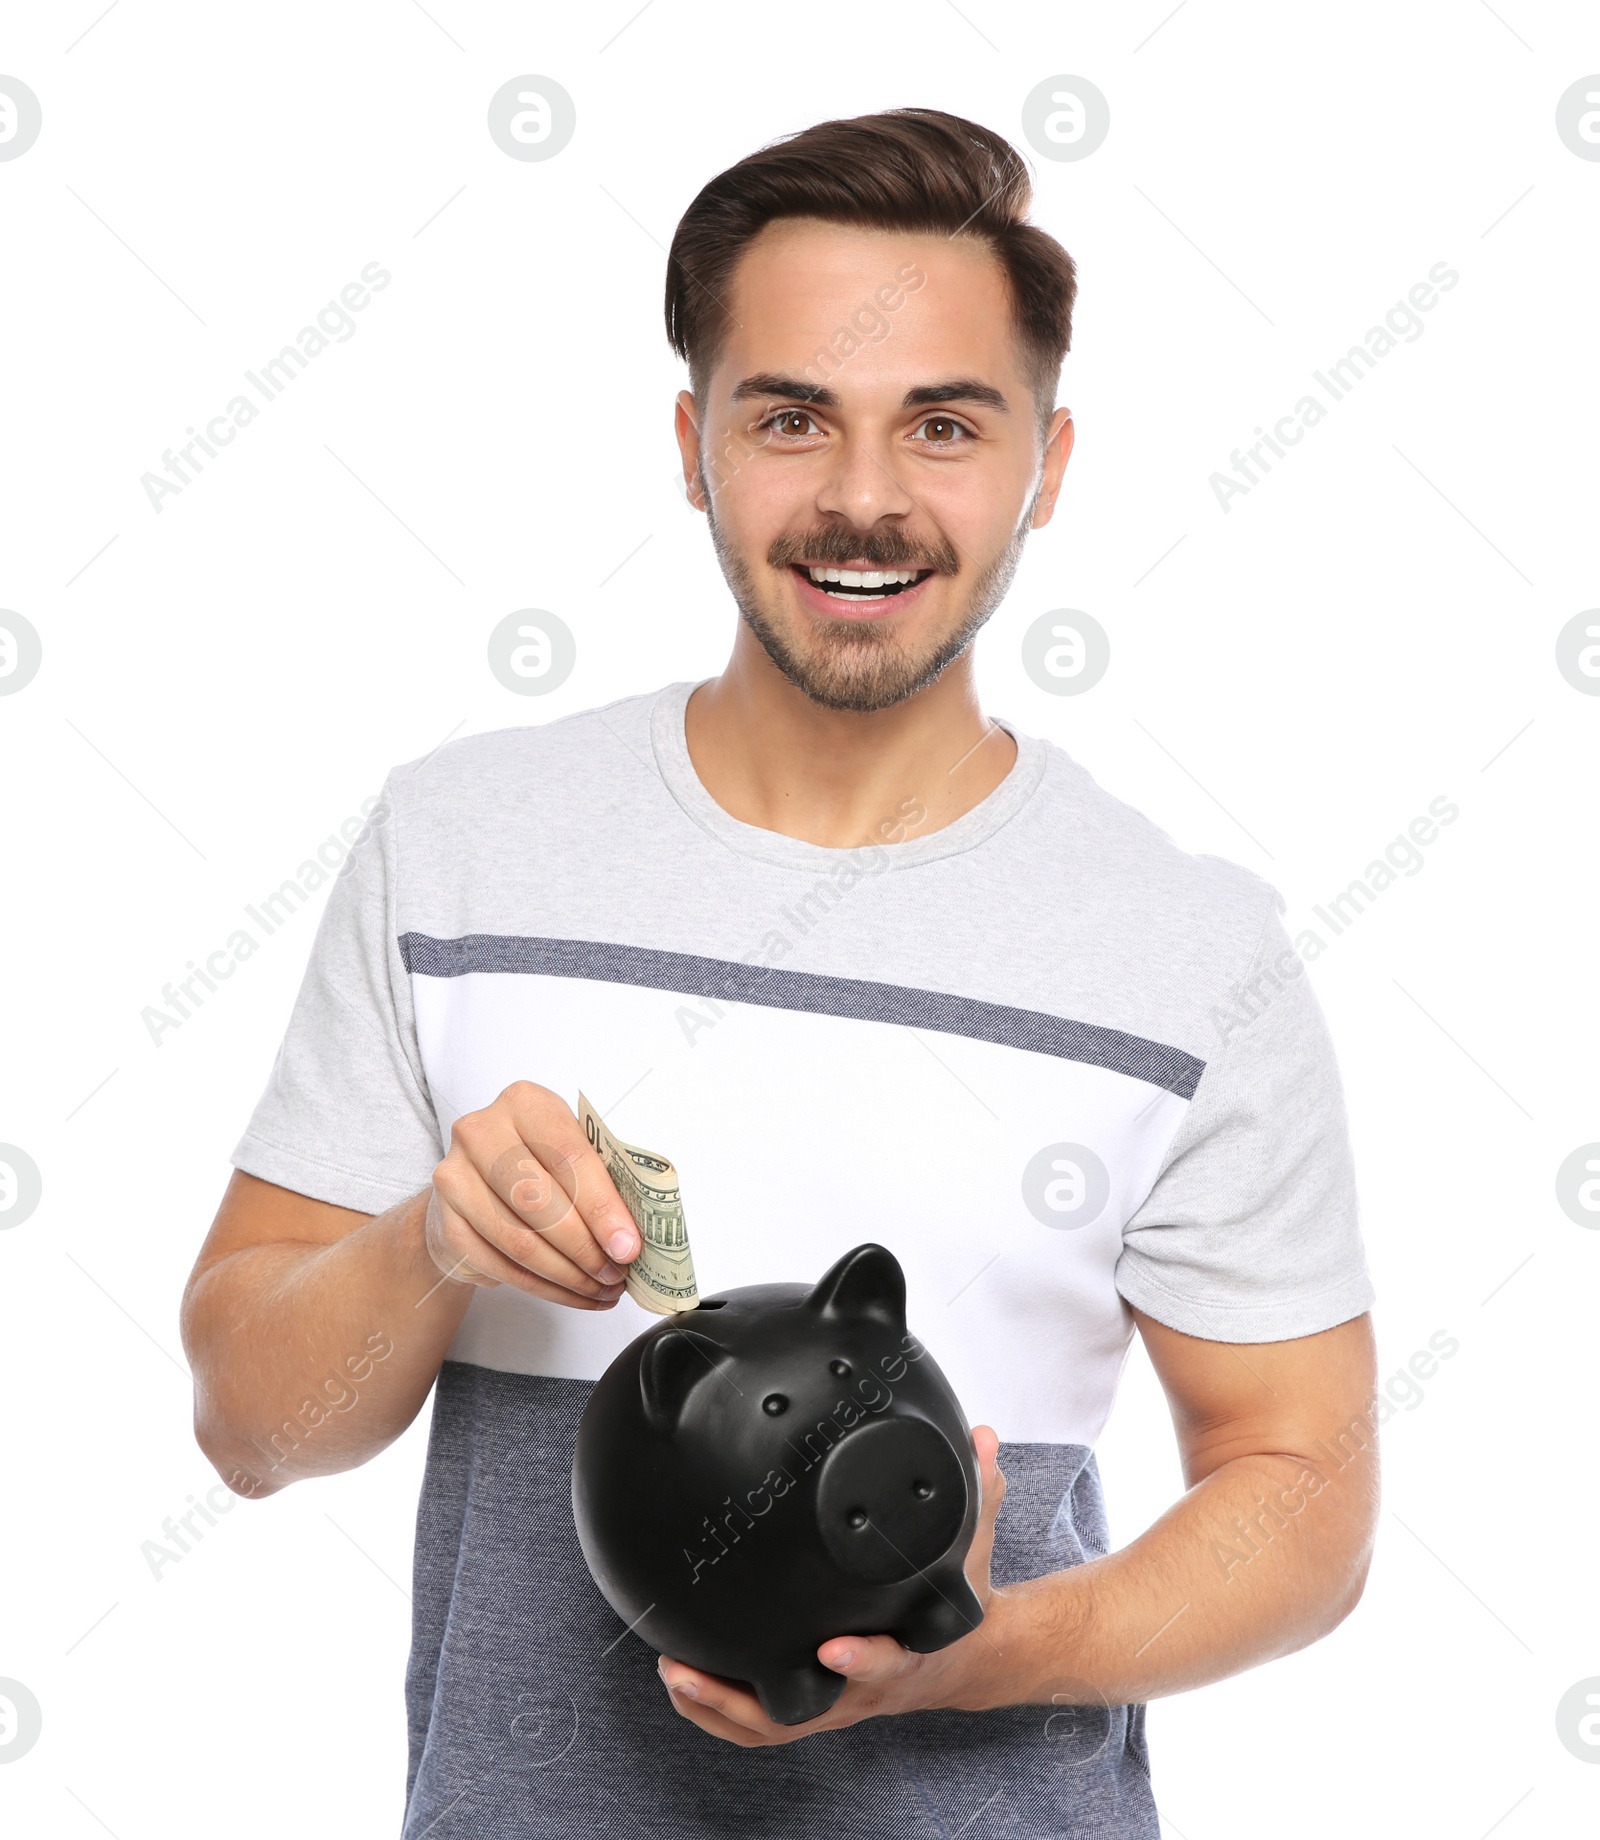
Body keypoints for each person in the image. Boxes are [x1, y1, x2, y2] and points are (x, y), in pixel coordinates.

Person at [181, 107, 1379, 1839]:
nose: (866, 497)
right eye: (792, 416)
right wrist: (430, 1243)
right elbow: (248, 1427)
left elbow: (1307, 1504)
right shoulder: (461, 850)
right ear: (693, 443)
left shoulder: (1192, 956)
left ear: (1045, 465)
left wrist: (991, 1646)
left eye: (945, 425)